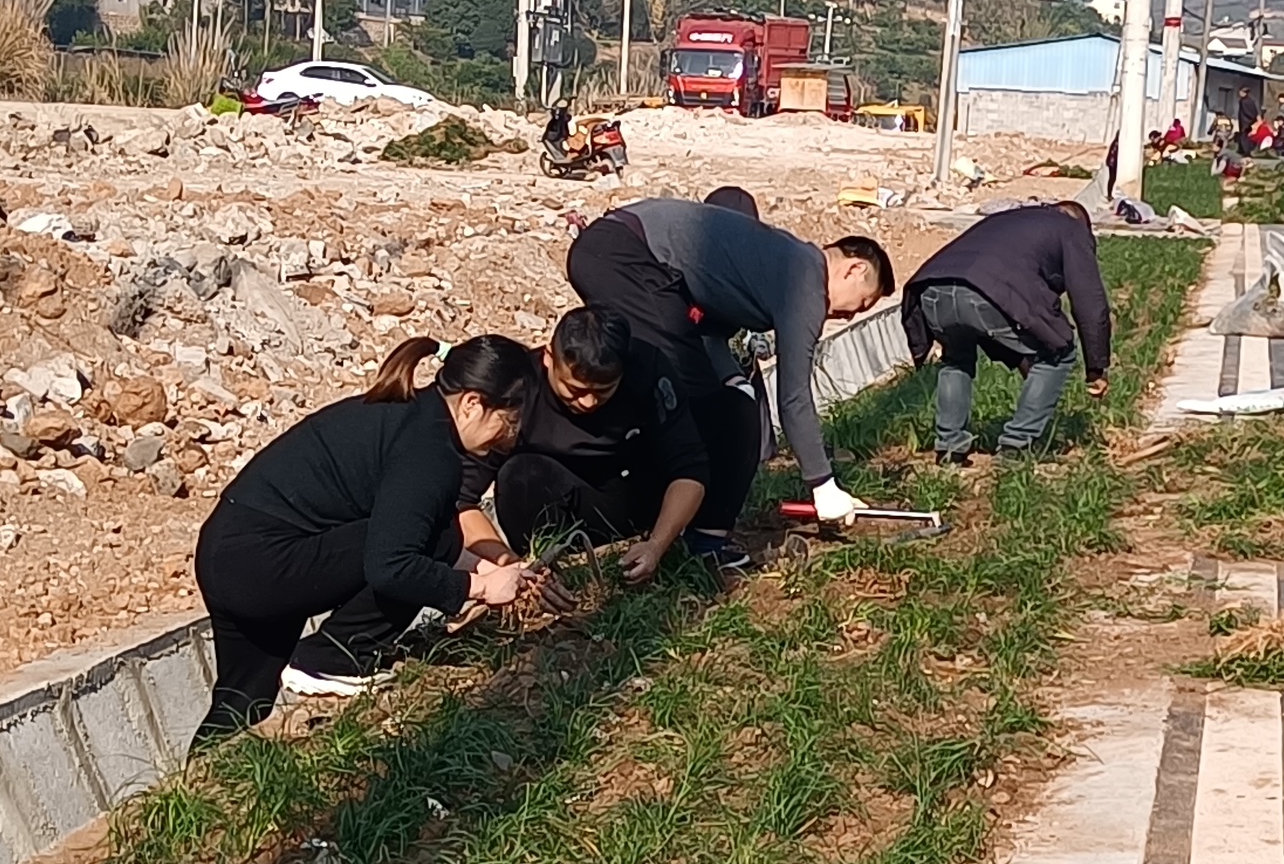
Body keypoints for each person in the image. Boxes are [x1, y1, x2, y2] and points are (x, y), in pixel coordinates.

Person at [192, 335, 544, 734]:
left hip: (229, 553)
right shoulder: (429, 453)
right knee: (435, 535)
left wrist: (495, 571)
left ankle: (203, 768)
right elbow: (392, 565)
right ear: (472, 404)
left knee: (242, 701)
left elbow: (404, 532)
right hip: (264, 563)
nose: (510, 437)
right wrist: (479, 588)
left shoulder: (408, 415)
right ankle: (335, 657)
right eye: (509, 421)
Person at [559, 195, 894, 560]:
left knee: (705, 398)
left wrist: (732, 378)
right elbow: (794, 396)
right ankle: (693, 536)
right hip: (625, 255)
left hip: (614, 251)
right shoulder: (805, 282)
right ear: (854, 269)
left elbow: (708, 326)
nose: (850, 316)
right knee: (719, 414)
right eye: (862, 303)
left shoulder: (782, 260)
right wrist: (822, 484)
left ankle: (674, 521)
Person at [455, 303, 709, 585]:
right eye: (575, 389)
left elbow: (690, 470)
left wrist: (656, 546)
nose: (588, 402)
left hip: (629, 496)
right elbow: (461, 502)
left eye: (603, 391)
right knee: (520, 473)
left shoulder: (648, 370)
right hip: (547, 501)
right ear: (549, 358)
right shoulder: (519, 388)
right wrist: (510, 567)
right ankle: (542, 567)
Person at [902, 198, 1112, 462]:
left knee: (956, 360)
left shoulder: (1008, 219)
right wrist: (1096, 367)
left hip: (930, 290)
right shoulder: (1071, 228)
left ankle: (949, 447)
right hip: (985, 292)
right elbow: (1089, 301)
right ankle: (1016, 445)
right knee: (1060, 353)